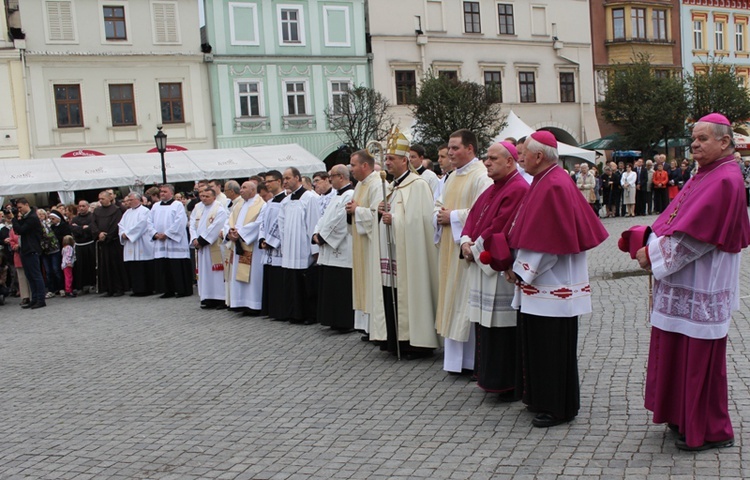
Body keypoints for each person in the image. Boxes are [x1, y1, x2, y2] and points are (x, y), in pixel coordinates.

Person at [633, 113, 750, 451]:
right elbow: (675, 220)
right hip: (685, 279)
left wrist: (651, 256)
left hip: (703, 282)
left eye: (702, 139)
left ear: (725, 142)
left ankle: (709, 428)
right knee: (677, 349)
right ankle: (681, 415)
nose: (694, 144)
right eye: (693, 138)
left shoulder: (724, 179)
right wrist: (650, 239)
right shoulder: (706, 173)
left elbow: (697, 238)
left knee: (699, 359)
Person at [507, 131, 608, 428]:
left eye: (523, 152)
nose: (520, 157)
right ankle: (541, 398)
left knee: (551, 348)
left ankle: (557, 407)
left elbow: (546, 243)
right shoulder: (546, 179)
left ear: (539, 156)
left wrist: (520, 270)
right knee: (540, 345)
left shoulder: (553, 184)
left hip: (551, 283)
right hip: (544, 283)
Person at [460, 141, 528, 396]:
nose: (487, 162)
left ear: (510, 161)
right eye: (487, 158)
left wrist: (474, 248)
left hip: (499, 269)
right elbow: (473, 218)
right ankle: (488, 377)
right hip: (481, 264)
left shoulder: (518, 188)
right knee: (485, 325)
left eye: (493, 158)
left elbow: (500, 226)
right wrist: (466, 241)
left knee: (501, 327)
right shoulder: (491, 189)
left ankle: (506, 382)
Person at [376, 129, 440, 359]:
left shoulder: (418, 185)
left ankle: (416, 343)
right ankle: (396, 341)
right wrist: (380, 211)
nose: (387, 162)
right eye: (386, 159)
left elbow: (421, 222)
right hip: (394, 252)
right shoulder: (393, 186)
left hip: (412, 255)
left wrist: (396, 220)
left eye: (391, 159)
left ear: (405, 160)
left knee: (412, 292)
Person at [434, 129, 492, 373]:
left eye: (455, 147)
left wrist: (453, 216)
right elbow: (438, 205)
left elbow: (485, 211)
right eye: (449, 147)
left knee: (465, 301)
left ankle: (470, 362)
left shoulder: (481, 176)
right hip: (449, 247)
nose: (450, 152)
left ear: (470, 149)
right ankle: (455, 362)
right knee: (451, 299)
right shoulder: (450, 177)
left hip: (466, 250)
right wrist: (437, 215)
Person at [346, 150, 385, 340]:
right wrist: (351, 211)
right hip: (361, 242)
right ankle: (366, 327)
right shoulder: (360, 185)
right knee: (363, 282)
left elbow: (376, 214)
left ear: (365, 165)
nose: (350, 169)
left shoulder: (376, 183)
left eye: (353, 165)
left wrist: (357, 210)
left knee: (371, 283)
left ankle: (374, 328)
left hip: (372, 244)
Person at [313, 164, 355, 331]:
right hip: (330, 248)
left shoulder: (350, 194)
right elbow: (324, 218)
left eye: (332, 176)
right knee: (331, 286)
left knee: (341, 287)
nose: (329, 179)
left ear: (341, 177)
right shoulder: (336, 196)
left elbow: (341, 220)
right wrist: (316, 233)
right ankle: (333, 319)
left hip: (342, 248)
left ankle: (344, 322)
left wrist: (323, 237)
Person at [278, 167, 321, 324]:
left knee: (305, 284)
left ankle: (309, 314)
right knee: (292, 282)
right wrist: (285, 245)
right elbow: (281, 226)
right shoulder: (285, 201)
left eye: (288, 177)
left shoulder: (310, 198)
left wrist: (314, 250)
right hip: (290, 248)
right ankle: (295, 313)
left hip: (303, 247)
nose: (285, 181)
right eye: (284, 178)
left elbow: (314, 223)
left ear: (298, 178)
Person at [225, 181, 266, 314]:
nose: (240, 190)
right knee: (238, 273)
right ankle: (240, 302)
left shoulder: (261, 204)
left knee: (253, 276)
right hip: (239, 244)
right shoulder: (239, 205)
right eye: (241, 188)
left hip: (252, 246)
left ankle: (254, 304)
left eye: (244, 188)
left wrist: (240, 232)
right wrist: (230, 231)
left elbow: (259, 223)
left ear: (253, 190)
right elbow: (229, 220)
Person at [150, 184, 193, 298]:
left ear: (171, 193)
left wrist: (167, 234)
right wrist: (155, 234)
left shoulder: (177, 205)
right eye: (161, 191)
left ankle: (182, 290)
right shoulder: (155, 206)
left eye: (165, 191)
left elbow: (180, 221)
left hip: (174, 241)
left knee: (177, 266)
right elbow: (149, 222)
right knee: (164, 266)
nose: (162, 193)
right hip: (161, 241)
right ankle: (167, 290)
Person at [190, 187, 228, 309]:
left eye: (207, 196)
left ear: (214, 197)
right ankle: (207, 297)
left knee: (216, 273)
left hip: (213, 246)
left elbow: (216, 226)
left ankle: (220, 298)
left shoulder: (219, 209)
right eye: (202, 196)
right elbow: (192, 225)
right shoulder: (198, 208)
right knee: (204, 273)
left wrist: (201, 240)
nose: (204, 198)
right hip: (201, 248)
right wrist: (194, 239)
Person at [9, 199, 47, 309]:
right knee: (29, 275)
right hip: (25, 249)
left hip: (32, 249)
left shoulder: (32, 218)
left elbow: (20, 230)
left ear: (27, 205)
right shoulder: (27, 217)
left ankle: (40, 299)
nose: (19, 210)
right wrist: (16, 217)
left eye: (20, 207)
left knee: (36, 275)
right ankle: (34, 298)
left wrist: (13, 218)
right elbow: (17, 230)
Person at [259, 170, 286, 318]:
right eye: (266, 182)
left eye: (270, 181)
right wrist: (262, 239)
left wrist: (270, 241)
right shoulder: (268, 203)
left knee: (278, 278)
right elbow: (262, 223)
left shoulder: (285, 201)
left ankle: (279, 310)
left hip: (278, 248)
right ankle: (271, 309)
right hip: (267, 247)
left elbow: (280, 223)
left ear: (279, 181)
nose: (267, 184)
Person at [90, 190, 128, 297]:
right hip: (102, 243)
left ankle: (118, 288)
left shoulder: (116, 210)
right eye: (99, 199)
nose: (100, 201)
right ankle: (108, 288)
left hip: (113, 242)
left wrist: (107, 235)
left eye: (102, 198)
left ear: (109, 198)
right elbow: (93, 224)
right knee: (104, 266)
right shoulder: (97, 211)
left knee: (115, 265)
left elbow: (116, 224)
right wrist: (98, 233)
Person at [118, 192, 155, 297]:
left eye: (131, 200)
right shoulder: (127, 213)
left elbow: (142, 225)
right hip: (130, 244)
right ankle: (136, 289)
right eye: (128, 200)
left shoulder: (145, 211)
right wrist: (123, 234)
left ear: (138, 200)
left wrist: (129, 234)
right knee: (133, 267)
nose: (129, 202)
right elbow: (121, 225)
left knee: (143, 266)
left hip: (141, 242)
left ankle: (147, 289)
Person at [70, 201, 96, 293]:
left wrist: (79, 228)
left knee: (91, 265)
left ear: (87, 207)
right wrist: (82, 228)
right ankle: (82, 286)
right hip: (79, 245)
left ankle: (93, 284)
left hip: (89, 244)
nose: (81, 208)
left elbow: (91, 229)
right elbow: (74, 230)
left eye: (83, 206)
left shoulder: (92, 217)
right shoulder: (75, 219)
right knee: (80, 267)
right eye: (80, 206)